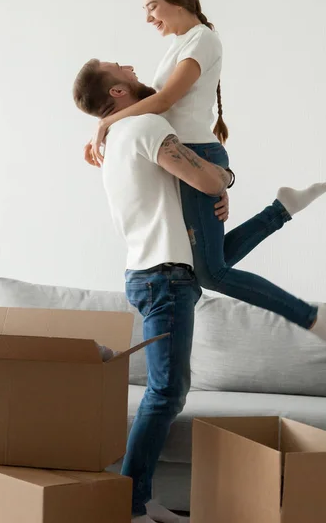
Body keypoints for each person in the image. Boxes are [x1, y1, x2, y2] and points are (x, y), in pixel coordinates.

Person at [82, 0, 326, 363]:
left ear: (178, 0)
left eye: (152, 6)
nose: (148, 18)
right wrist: (109, 123)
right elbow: (155, 109)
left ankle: (310, 315)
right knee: (209, 266)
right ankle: (281, 211)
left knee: (210, 273)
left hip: (198, 154)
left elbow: (165, 101)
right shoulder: (179, 45)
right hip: (189, 157)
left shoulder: (202, 40)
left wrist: (106, 122)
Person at [73, 59, 235, 523]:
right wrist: (226, 178)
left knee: (167, 390)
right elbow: (205, 178)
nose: (128, 63)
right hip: (163, 275)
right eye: (117, 66)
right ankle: (127, 505)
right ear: (120, 92)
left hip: (153, 273)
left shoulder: (120, 134)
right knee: (165, 392)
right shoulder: (145, 125)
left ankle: (140, 498)